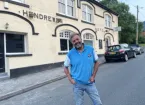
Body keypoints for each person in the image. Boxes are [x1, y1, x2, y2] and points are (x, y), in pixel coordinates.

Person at [64, 33, 102, 105]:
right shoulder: (70, 54)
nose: (76, 42)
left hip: (90, 83)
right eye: (74, 41)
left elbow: (97, 62)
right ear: (72, 43)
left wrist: (93, 76)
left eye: (77, 39)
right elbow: (65, 68)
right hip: (77, 85)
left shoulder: (90, 49)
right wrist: (70, 79)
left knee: (98, 103)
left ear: (81, 39)